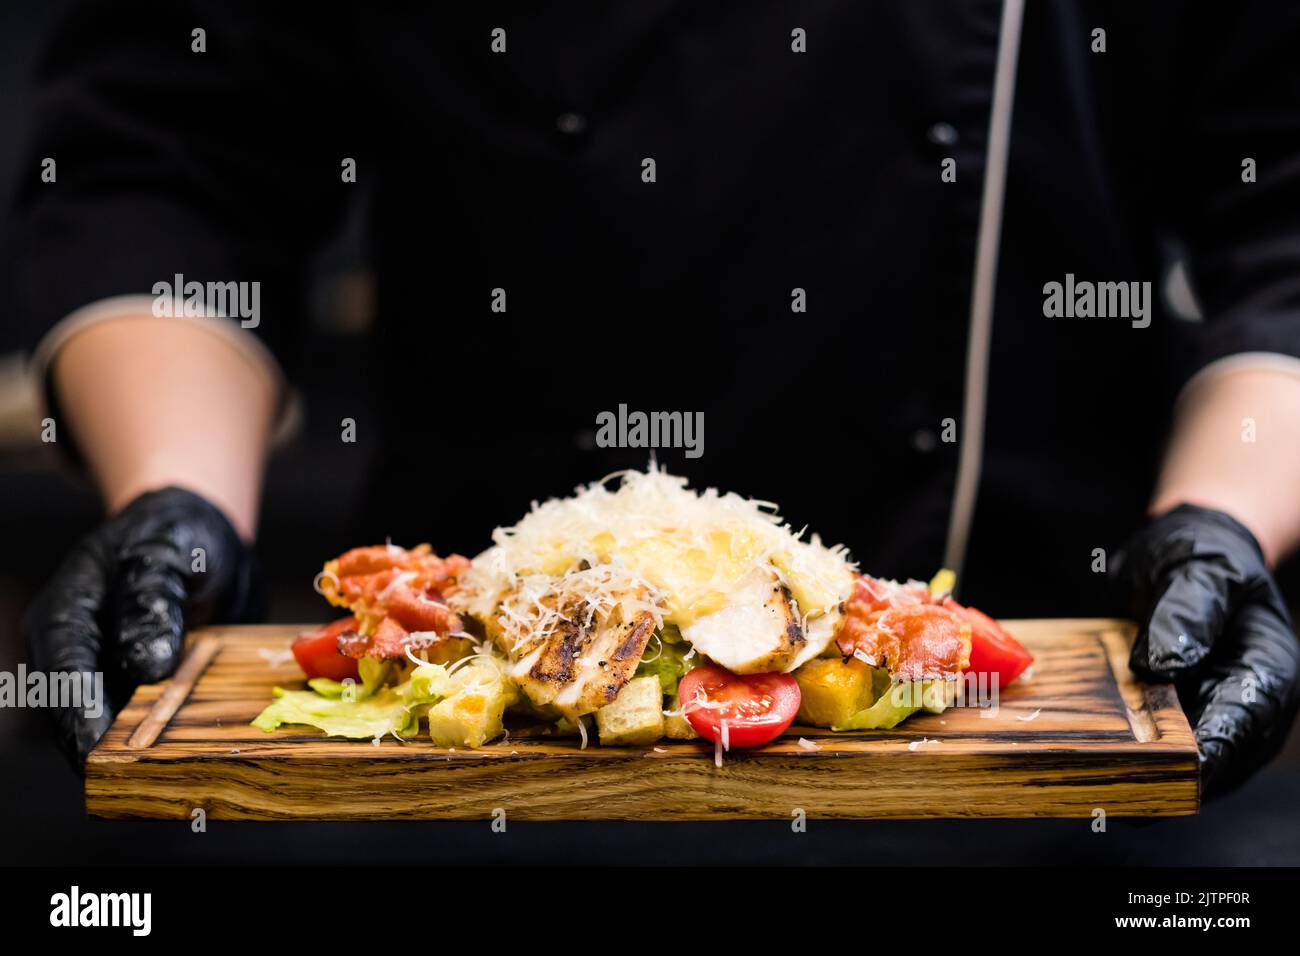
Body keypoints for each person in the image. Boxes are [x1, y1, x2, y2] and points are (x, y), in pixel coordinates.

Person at [8, 1, 1299, 796]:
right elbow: (172, 155)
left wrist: (1224, 521)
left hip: (1041, 750)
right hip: (480, 766)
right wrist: (174, 491)